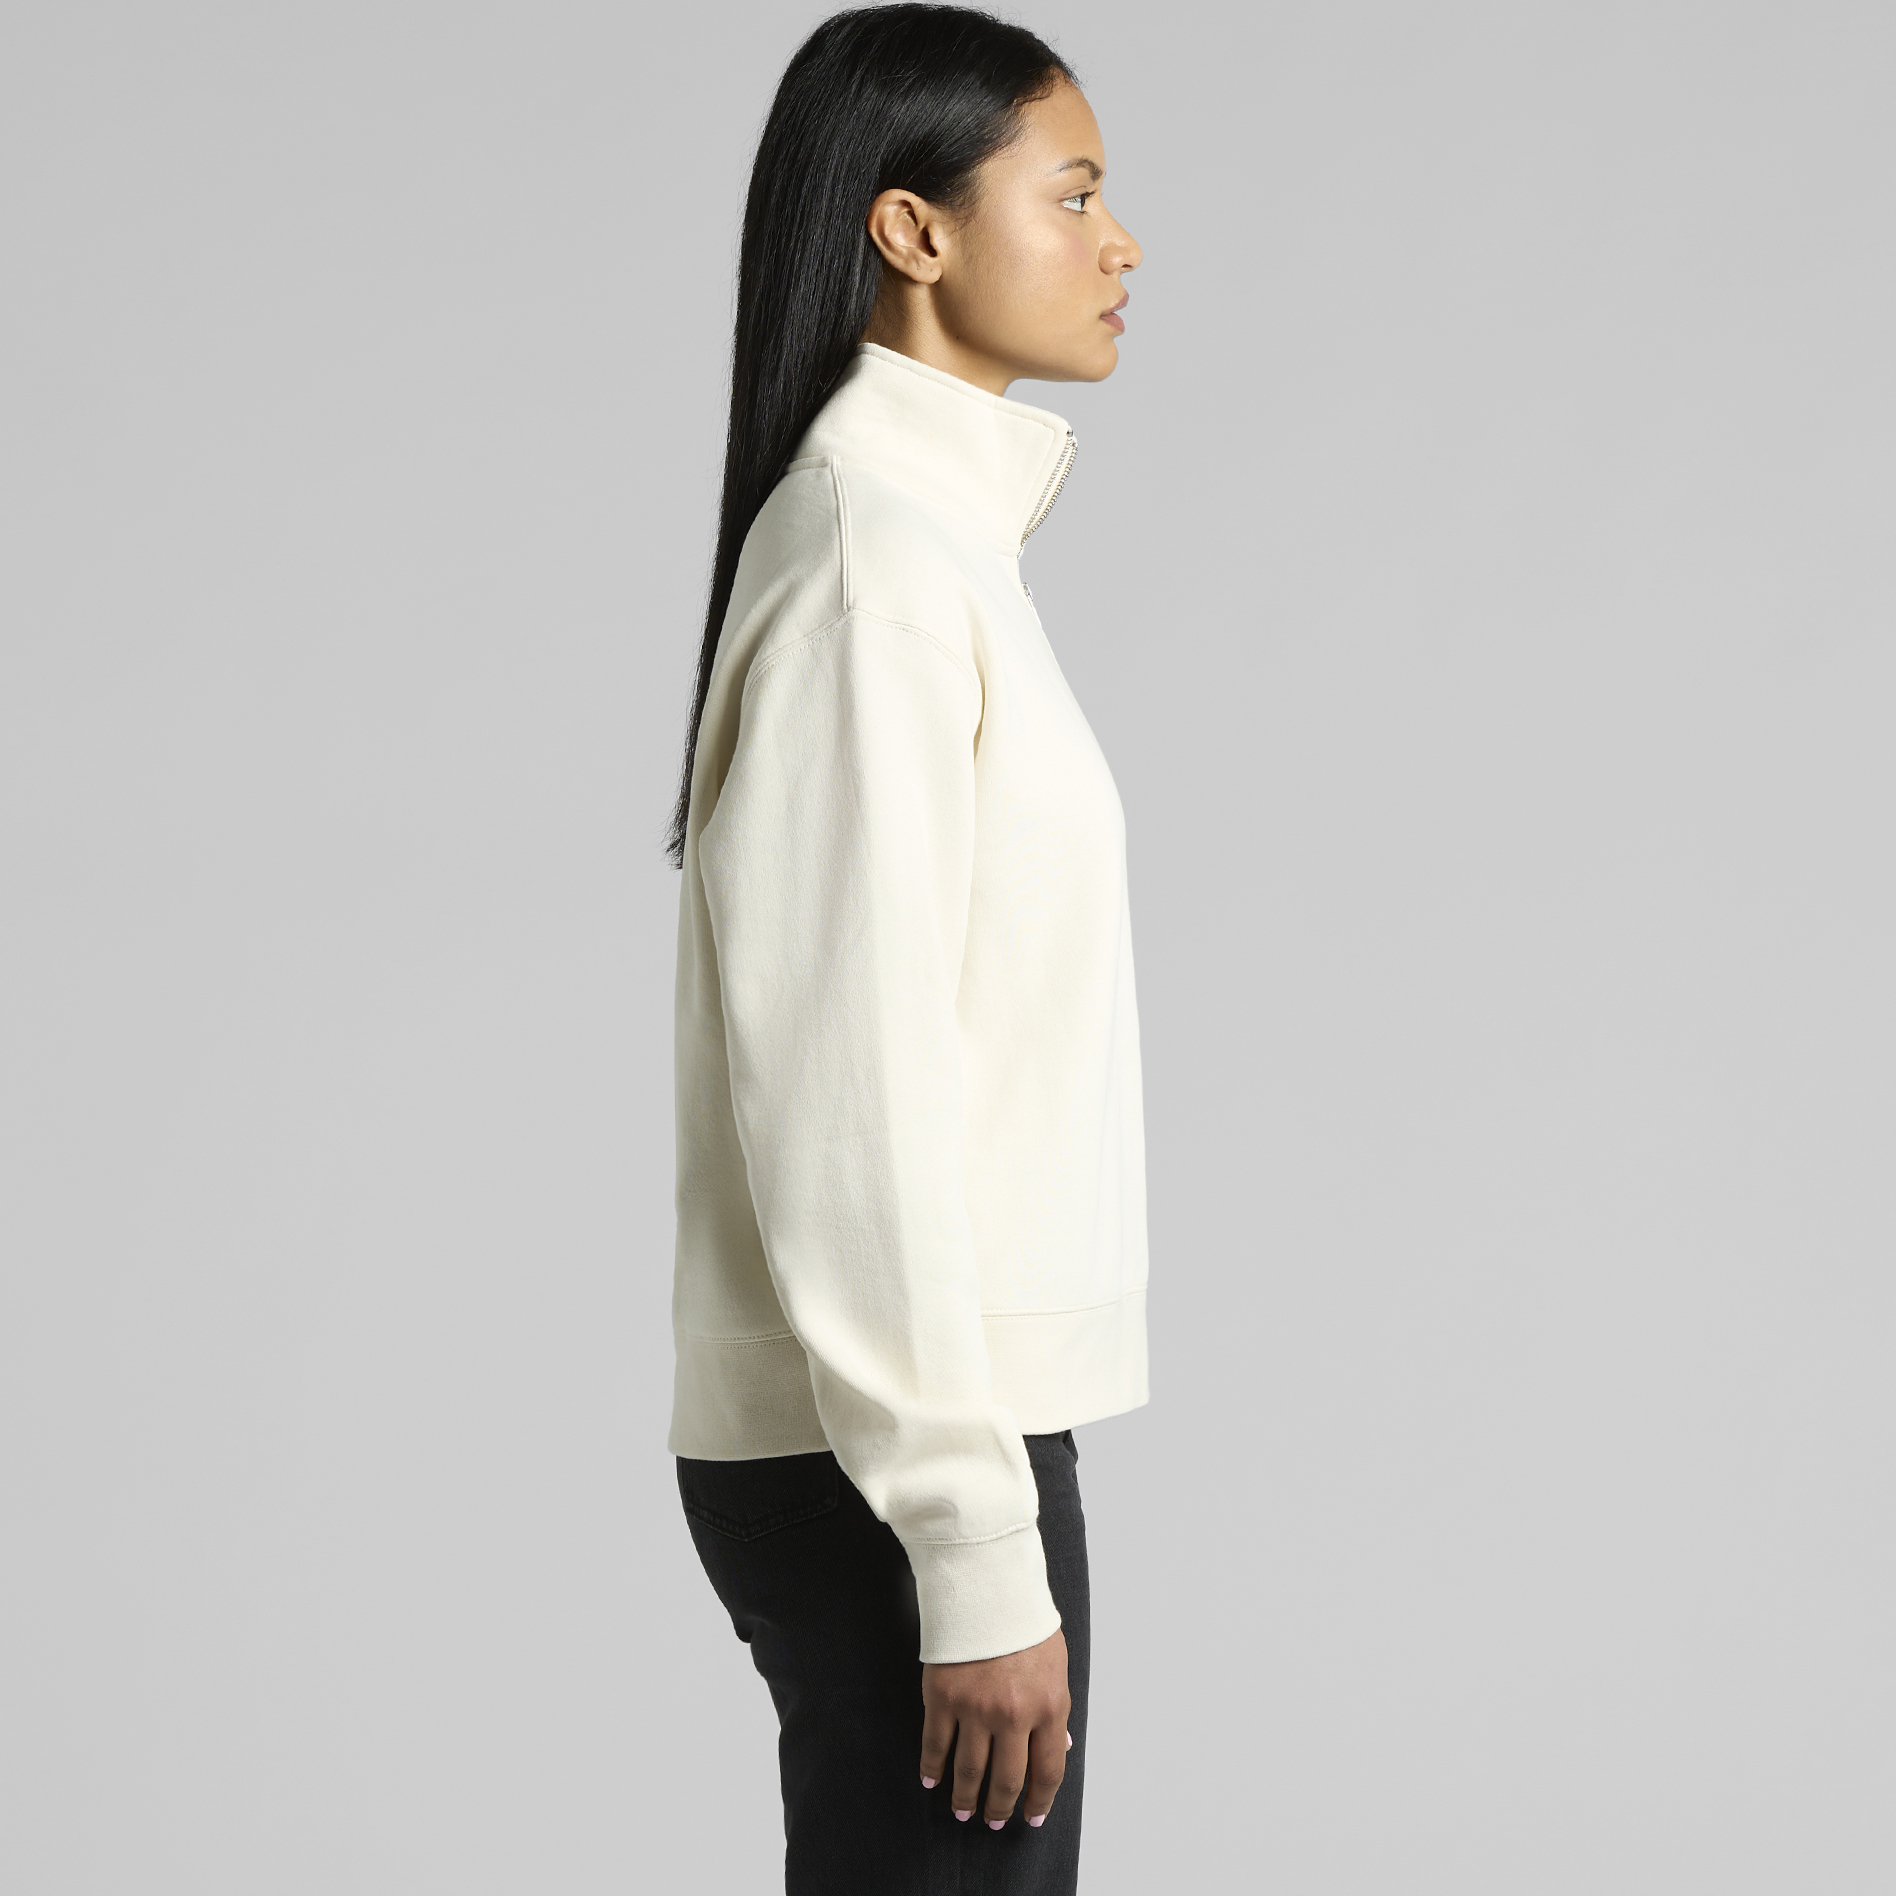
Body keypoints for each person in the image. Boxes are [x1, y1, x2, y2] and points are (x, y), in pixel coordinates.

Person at [665, 7, 1147, 1889]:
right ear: (913, 231)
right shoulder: (873, 571)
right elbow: (845, 1094)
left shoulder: (926, 555)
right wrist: (968, 1534)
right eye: (1075, 194)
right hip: (901, 1461)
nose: (1123, 242)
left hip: (913, 1443)